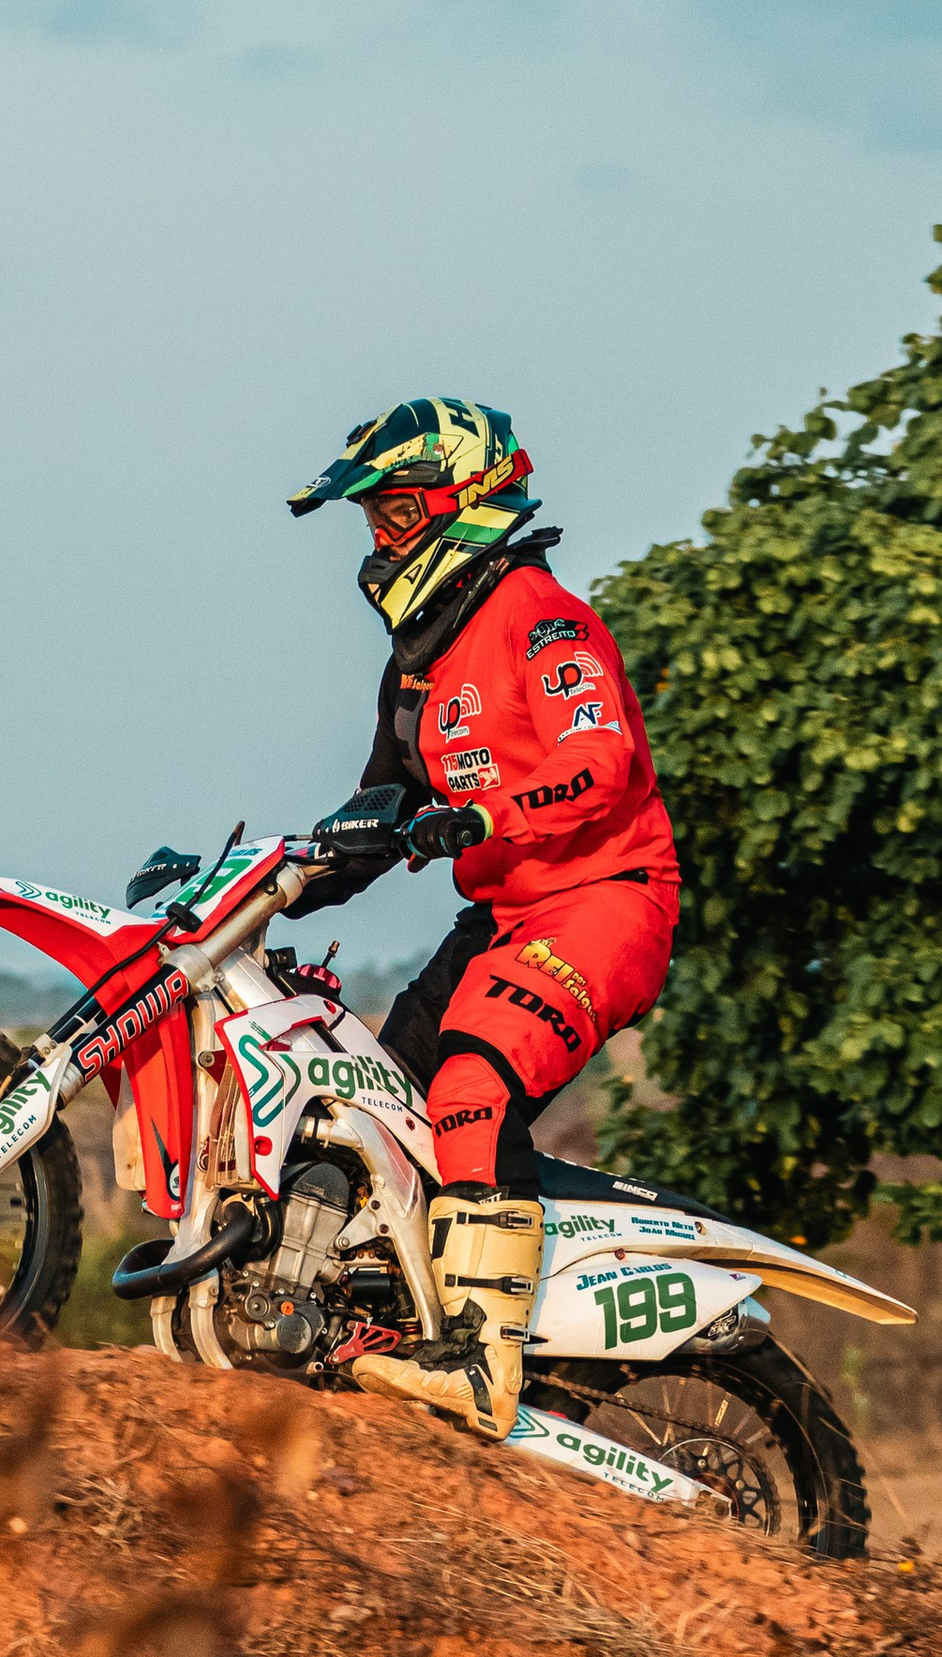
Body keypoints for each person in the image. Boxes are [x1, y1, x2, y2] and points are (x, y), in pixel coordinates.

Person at [291, 395, 681, 1443]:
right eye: (370, 521)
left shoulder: (540, 615)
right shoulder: (415, 666)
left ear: (464, 502)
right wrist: (266, 886)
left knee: (469, 1087)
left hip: (605, 898)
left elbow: (600, 767)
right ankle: (412, 1318)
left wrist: (475, 815)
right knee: (376, 1106)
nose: (379, 541)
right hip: (506, 914)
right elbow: (370, 824)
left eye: (396, 513)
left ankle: (477, 1367)